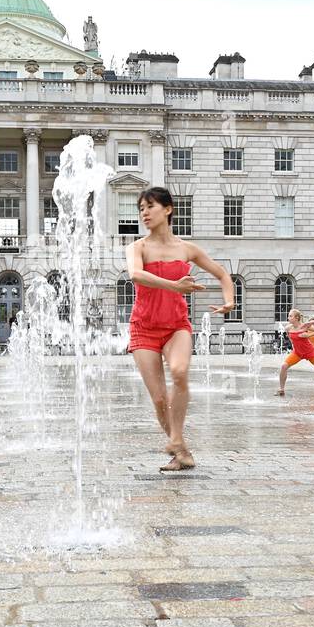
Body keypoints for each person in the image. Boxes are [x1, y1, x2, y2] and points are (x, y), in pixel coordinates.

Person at [125, 186, 234, 471]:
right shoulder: (138, 247)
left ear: (168, 209)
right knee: (160, 398)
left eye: (150, 206)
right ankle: (182, 450)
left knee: (180, 372)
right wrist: (175, 286)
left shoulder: (186, 249)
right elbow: (136, 275)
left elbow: (222, 273)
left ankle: (176, 440)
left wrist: (229, 301)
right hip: (144, 328)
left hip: (176, 325)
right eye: (141, 209)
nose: (144, 213)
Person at [276, 309, 314, 396]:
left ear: (297, 318)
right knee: (284, 366)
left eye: (290, 316)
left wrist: (308, 335)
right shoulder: (288, 328)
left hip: (310, 352)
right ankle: (281, 389)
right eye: (289, 316)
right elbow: (291, 338)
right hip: (297, 353)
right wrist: (294, 346)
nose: (288, 317)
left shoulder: (305, 326)